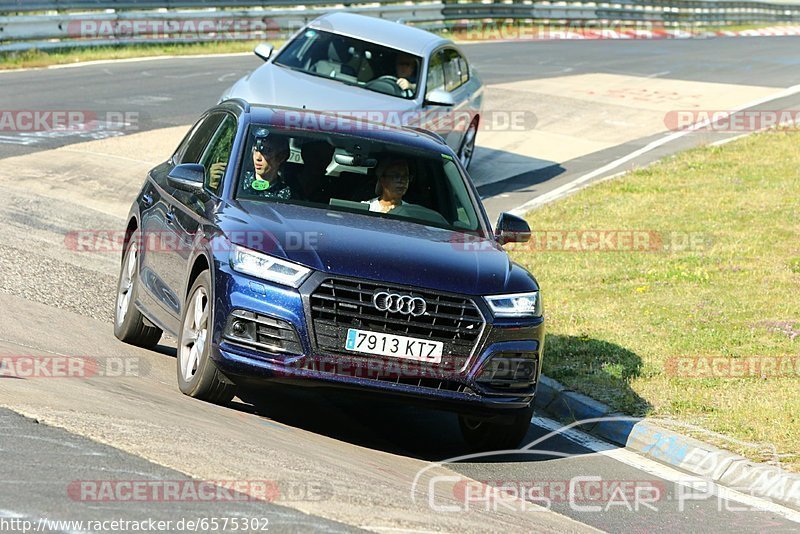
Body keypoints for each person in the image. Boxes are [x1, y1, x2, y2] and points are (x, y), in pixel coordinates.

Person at [240, 128, 292, 200]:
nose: (258, 158)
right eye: (255, 149)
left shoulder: (285, 195)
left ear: (281, 157)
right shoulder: (237, 182)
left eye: (267, 151)